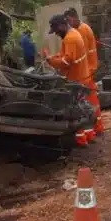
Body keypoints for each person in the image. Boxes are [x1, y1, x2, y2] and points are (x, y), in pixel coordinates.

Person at [45, 14, 95, 145]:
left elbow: (67, 62)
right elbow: (64, 54)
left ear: (62, 25)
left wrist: (51, 61)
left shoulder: (70, 39)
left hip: (76, 79)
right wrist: (53, 57)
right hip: (80, 76)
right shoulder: (72, 34)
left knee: (76, 111)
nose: (56, 34)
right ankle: (88, 136)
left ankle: (80, 140)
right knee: (83, 108)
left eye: (56, 30)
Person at [63, 7, 104, 136]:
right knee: (91, 101)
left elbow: (80, 54)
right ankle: (96, 128)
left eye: (68, 20)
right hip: (88, 70)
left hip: (85, 72)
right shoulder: (84, 28)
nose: (68, 24)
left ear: (73, 17)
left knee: (84, 102)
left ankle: (88, 133)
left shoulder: (81, 31)